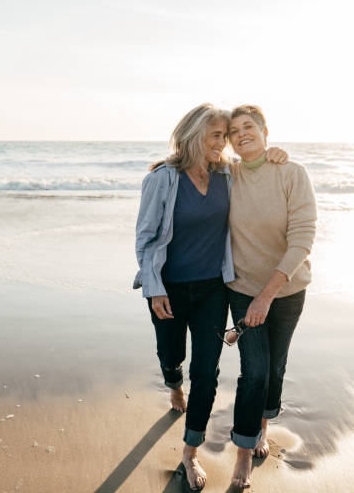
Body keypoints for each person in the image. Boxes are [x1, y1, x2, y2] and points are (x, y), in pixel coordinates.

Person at [133, 103, 287, 490]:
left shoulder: (227, 176)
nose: (225, 143)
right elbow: (146, 238)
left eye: (226, 135)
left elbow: (257, 172)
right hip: (167, 288)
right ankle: (173, 385)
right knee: (172, 356)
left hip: (213, 290)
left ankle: (190, 452)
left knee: (207, 373)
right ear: (194, 135)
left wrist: (274, 154)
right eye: (216, 135)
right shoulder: (162, 179)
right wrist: (153, 290)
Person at [226, 105, 317, 489]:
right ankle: (244, 452)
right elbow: (195, 158)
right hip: (242, 289)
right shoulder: (226, 176)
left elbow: (302, 237)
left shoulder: (291, 173)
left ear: (265, 131)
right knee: (255, 372)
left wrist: (269, 294)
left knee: (275, 368)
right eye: (234, 131)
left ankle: (262, 427)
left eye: (249, 126)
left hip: (287, 290)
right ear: (229, 141)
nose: (241, 133)